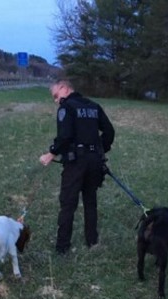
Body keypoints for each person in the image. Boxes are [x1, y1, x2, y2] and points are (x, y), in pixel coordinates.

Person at [39, 79, 115, 254]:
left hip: (75, 163)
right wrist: (100, 150)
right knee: (90, 201)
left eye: (56, 95)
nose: (56, 100)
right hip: (95, 161)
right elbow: (109, 131)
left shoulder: (67, 108)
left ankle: (62, 247)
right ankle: (92, 241)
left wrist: (51, 153)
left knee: (68, 204)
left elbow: (64, 136)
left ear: (65, 88)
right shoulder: (94, 106)